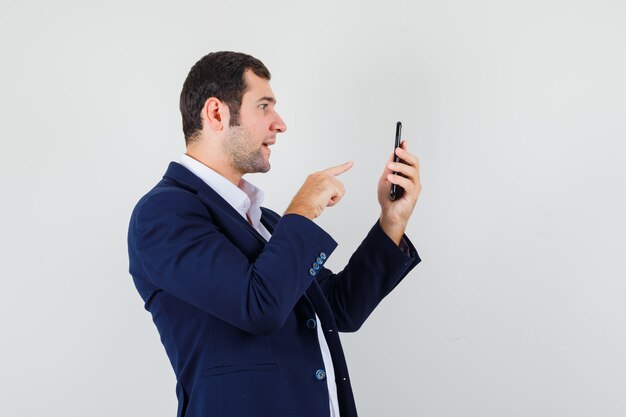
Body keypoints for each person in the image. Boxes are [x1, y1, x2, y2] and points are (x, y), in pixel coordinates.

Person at [127, 51, 422, 417]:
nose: (279, 124)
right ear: (216, 113)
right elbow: (258, 306)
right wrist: (303, 209)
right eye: (264, 106)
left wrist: (391, 220)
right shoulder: (163, 214)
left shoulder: (263, 221)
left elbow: (340, 308)